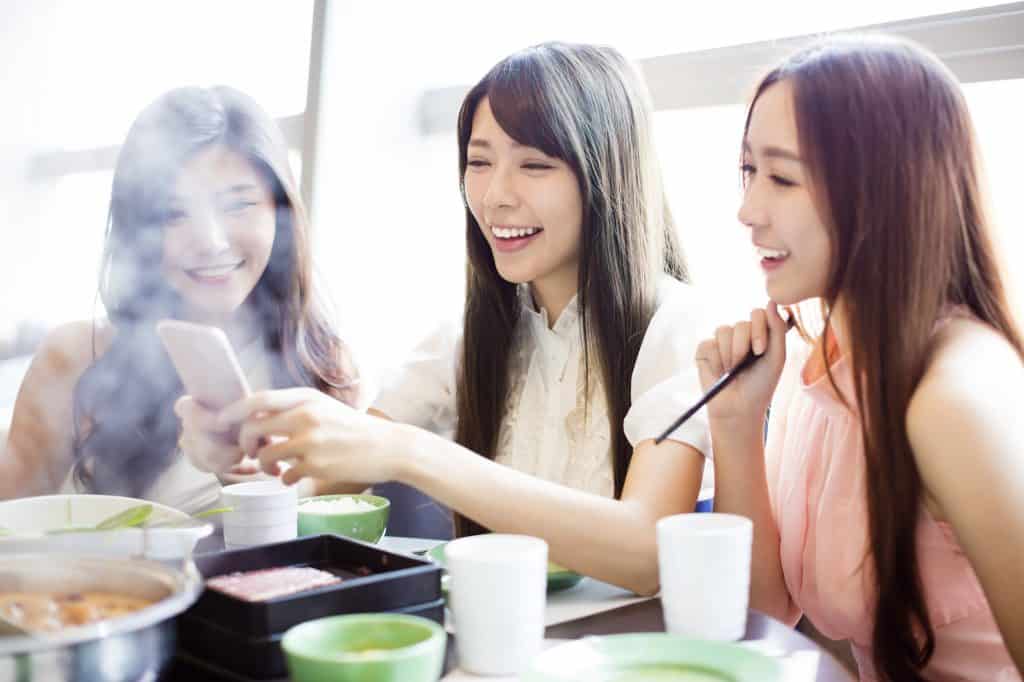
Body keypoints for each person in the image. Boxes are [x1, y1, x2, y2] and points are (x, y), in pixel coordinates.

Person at [193, 42, 714, 594]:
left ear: (608, 172)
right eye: (479, 162)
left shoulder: (678, 325)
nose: (494, 196)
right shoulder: (465, 338)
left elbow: (647, 552)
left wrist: (410, 452)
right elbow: (322, 486)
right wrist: (241, 464)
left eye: (535, 165)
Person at [695, 35, 1023, 680]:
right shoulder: (816, 356)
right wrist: (734, 424)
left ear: (885, 191)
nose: (747, 210)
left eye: (782, 178)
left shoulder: (954, 393)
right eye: (749, 170)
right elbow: (765, 612)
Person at [0, 86, 358, 513]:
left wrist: (257, 479)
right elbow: (8, 524)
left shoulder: (323, 370)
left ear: (279, 212)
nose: (211, 241)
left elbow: (336, 531)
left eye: (238, 204)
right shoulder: (77, 356)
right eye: (174, 213)